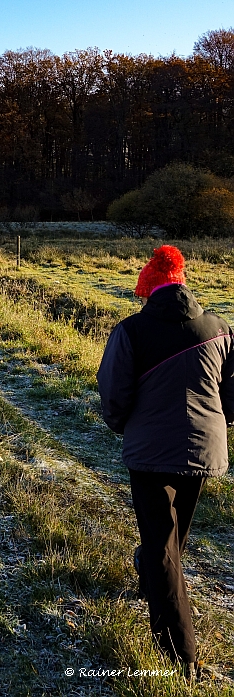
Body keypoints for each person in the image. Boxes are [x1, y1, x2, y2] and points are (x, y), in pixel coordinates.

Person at [97, 245, 234, 679]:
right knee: (171, 539)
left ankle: (179, 656)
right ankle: (152, 581)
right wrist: (214, 424)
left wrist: (122, 425)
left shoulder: (131, 331)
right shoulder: (219, 328)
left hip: (151, 454)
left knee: (160, 545)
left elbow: (114, 393)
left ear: (148, 289)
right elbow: (231, 396)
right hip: (203, 449)